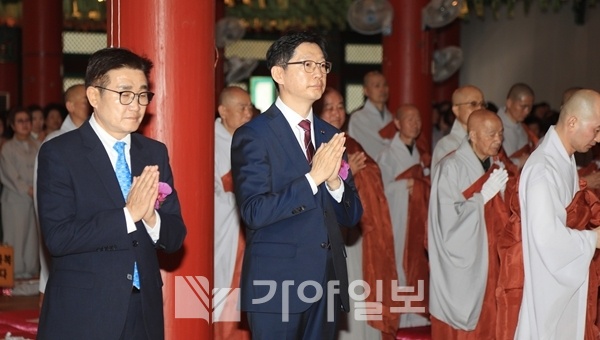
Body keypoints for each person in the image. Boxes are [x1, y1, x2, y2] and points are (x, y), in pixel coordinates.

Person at [36, 47, 187, 339]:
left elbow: (176, 235)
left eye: (143, 95)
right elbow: (59, 238)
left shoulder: (153, 152)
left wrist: (151, 217)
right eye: (125, 94)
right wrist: (128, 215)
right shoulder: (60, 153)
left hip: (143, 309)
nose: (136, 105)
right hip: (85, 311)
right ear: (94, 96)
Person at [231, 31, 363, 339]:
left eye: (322, 65)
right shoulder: (254, 135)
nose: (318, 72)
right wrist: (312, 179)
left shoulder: (330, 135)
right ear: (279, 73)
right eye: (307, 64)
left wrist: (334, 183)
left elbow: (352, 215)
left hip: (326, 281)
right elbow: (254, 211)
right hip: (276, 286)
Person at [515, 89, 600, 339]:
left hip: (563, 279)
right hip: (547, 283)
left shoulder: (564, 159)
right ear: (572, 122)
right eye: (596, 129)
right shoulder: (543, 167)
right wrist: (592, 239)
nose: (598, 138)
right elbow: (546, 238)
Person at [315, 87, 398, 340]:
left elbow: (372, 177)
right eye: (329, 107)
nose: (336, 112)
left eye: (340, 106)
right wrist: (348, 173)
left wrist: (354, 175)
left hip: (353, 230)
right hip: (323, 237)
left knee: (355, 288)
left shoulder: (350, 142)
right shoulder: (311, 143)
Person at [428, 110, 511, 339]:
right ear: (472, 135)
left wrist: (504, 194)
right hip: (467, 267)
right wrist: (481, 199)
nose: (498, 140)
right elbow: (446, 224)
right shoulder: (450, 167)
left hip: (492, 262)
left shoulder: (496, 164)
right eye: (491, 134)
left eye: (501, 134)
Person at [376, 104, 431, 328]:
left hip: (417, 221)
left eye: (418, 120)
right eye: (409, 119)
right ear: (397, 124)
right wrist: (405, 185)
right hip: (398, 222)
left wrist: (419, 185)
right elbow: (380, 191)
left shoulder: (422, 156)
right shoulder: (386, 155)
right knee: (400, 265)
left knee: (417, 265)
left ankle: (416, 318)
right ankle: (400, 321)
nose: (415, 124)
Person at [36, 83, 92, 303]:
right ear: (69, 106)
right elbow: (44, 211)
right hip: (67, 231)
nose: (90, 103)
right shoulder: (54, 143)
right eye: (84, 100)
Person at [214, 86, 253, 339]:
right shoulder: (210, 143)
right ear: (223, 111)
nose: (249, 113)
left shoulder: (252, 140)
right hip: (225, 230)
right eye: (242, 108)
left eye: (251, 107)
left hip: (249, 231)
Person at [0, 107, 40, 279]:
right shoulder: (7, 148)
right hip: (15, 200)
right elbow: (10, 175)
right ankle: (10, 276)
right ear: (13, 125)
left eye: (27, 120)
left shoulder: (39, 145)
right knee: (14, 236)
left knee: (32, 238)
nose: (25, 124)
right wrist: (28, 189)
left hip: (36, 199)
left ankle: (30, 273)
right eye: (20, 121)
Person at [431, 85, 486, 170]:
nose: (479, 109)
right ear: (456, 110)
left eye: (482, 104)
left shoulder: (488, 140)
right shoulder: (446, 146)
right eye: (473, 104)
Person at [348, 71, 393, 159]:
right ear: (366, 91)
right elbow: (371, 147)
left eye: (385, 85)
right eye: (377, 86)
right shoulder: (358, 118)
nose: (382, 89)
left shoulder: (392, 117)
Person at [496, 83, 537, 168]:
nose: (527, 111)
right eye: (523, 106)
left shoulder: (525, 129)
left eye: (530, 108)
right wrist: (518, 162)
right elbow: (493, 161)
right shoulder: (494, 126)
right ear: (509, 103)